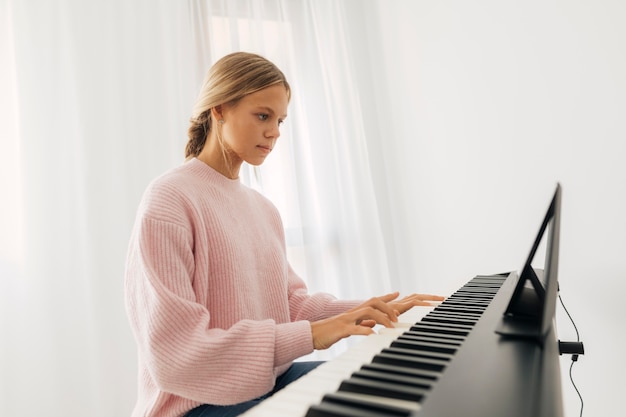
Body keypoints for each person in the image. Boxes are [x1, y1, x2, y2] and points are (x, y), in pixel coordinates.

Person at [124, 51, 444, 417]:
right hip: (194, 404)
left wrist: (365, 309)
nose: (274, 131)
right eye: (263, 116)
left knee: (387, 387)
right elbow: (176, 354)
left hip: (270, 379)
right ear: (220, 109)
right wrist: (312, 334)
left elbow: (288, 305)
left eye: (280, 120)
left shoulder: (263, 208)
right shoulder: (170, 199)